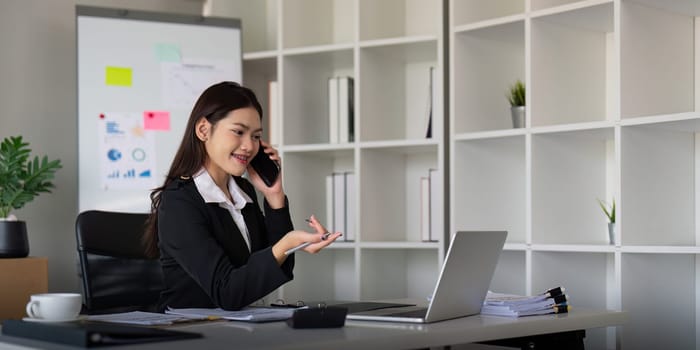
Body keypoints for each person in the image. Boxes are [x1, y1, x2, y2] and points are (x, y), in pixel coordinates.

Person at [143, 81, 341, 311]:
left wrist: (274, 196)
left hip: (238, 326)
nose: (249, 146)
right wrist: (288, 243)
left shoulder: (243, 192)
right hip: (190, 331)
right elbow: (227, 292)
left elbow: (280, 268)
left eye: (256, 136)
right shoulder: (179, 201)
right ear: (203, 130)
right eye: (238, 132)